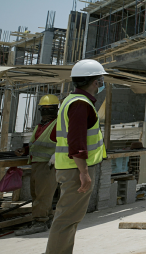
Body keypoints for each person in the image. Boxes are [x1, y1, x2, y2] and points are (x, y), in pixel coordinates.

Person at [46, 59, 109, 254]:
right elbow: (76, 142)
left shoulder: (70, 101)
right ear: (95, 82)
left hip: (70, 167)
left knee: (69, 217)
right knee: (67, 219)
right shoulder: (81, 104)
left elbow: (55, 134)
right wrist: (83, 172)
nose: (102, 84)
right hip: (76, 170)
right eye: (101, 80)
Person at [13, 94, 60, 236]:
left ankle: (40, 221)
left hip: (47, 165)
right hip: (36, 163)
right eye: (44, 109)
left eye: (49, 109)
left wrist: (56, 156)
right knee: (37, 194)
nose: (46, 112)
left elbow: (65, 143)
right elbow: (35, 144)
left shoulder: (57, 124)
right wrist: (25, 150)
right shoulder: (40, 126)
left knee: (42, 195)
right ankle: (47, 219)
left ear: (55, 110)